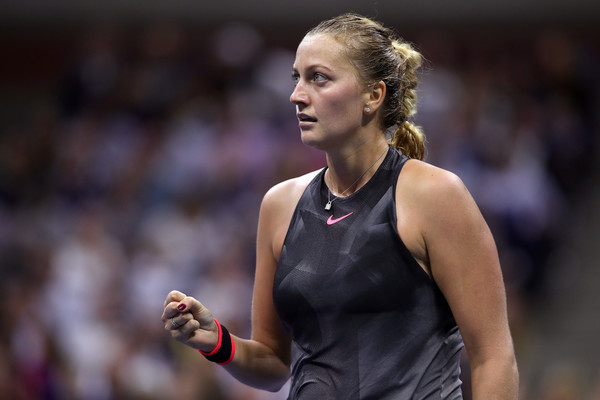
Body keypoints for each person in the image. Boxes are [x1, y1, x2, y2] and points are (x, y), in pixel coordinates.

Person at [162, 13, 519, 399]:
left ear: (373, 96)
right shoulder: (280, 204)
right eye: (296, 77)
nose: (297, 94)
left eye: (318, 77)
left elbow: (493, 358)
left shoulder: (435, 195)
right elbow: (274, 364)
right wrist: (218, 341)